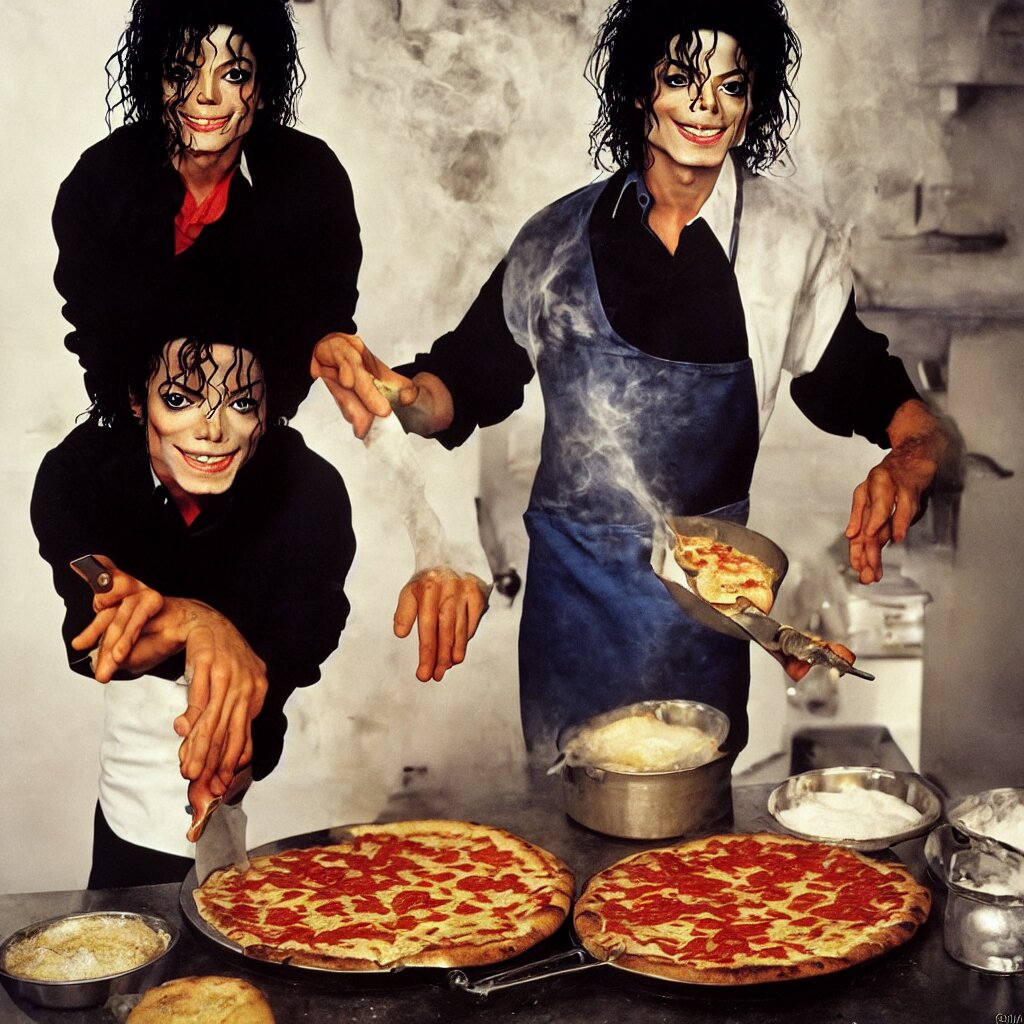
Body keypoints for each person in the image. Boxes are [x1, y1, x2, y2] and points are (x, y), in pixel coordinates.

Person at [311, 0, 950, 762]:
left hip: (704, 616)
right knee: (568, 833)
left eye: (732, 85)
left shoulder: (787, 247)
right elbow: (457, 386)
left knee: (685, 864)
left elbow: (902, 414)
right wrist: (397, 392)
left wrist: (909, 462)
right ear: (640, 90)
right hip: (571, 617)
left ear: (754, 107)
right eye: (681, 77)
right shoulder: (554, 240)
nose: (706, 104)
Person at [51, 0, 486, 683]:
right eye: (182, 72)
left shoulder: (308, 187)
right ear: (152, 79)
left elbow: (329, 333)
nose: (205, 98)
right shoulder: (99, 190)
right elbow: (99, 340)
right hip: (146, 449)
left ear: (263, 85)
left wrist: (437, 540)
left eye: (234, 73)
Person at [31, 327, 355, 887]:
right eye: (180, 399)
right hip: (128, 809)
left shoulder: (310, 492)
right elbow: (102, 621)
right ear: (137, 398)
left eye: (241, 402)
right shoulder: (82, 474)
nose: (211, 429)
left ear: (268, 409)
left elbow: (297, 642)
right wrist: (197, 621)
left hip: (249, 773)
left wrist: (232, 736)